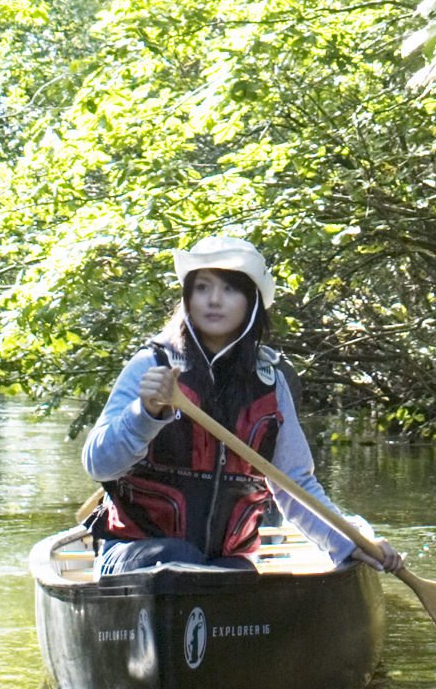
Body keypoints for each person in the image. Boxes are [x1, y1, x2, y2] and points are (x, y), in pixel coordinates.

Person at [82, 230, 403, 577]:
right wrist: (144, 414)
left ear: (251, 301)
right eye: (202, 287)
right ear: (187, 298)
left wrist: (351, 543)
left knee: (237, 575)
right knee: (179, 561)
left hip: (225, 563)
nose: (213, 300)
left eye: (229, 288)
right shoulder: (153, 364)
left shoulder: (270, 381)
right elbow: (98, 465)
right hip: (138, 555)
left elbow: (296, 486)